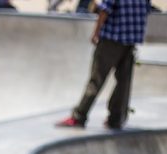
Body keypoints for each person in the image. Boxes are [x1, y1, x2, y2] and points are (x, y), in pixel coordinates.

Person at [55, 0, 150, 130]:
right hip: (131, 40)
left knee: (96, 79)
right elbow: (146, 10)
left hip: (111, 38)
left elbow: (105, 9)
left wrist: (96, 32)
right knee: (123, 82)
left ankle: (79, 116)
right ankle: (115, 119)